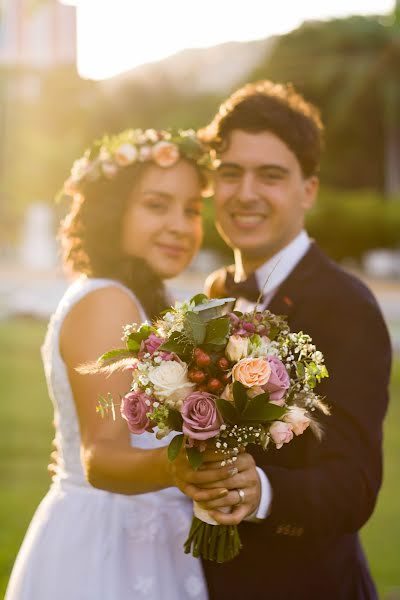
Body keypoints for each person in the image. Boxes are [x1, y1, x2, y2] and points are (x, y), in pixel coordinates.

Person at [172, 81, 392, 599]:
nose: (245, 194)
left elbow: (354, 486)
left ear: (308, 190)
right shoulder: (214, 295)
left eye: (270, 176)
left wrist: (262, 490)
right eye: (231, 174)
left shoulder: (349, 307)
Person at [5, 128, 218, 600]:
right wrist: (190, 468)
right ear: (113, 210)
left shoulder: (137, 300)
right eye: (156, 205)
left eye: (191, 209)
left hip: (148, 532)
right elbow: (101, 456)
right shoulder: (108, 302)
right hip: (110, 545)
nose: (180, 225)